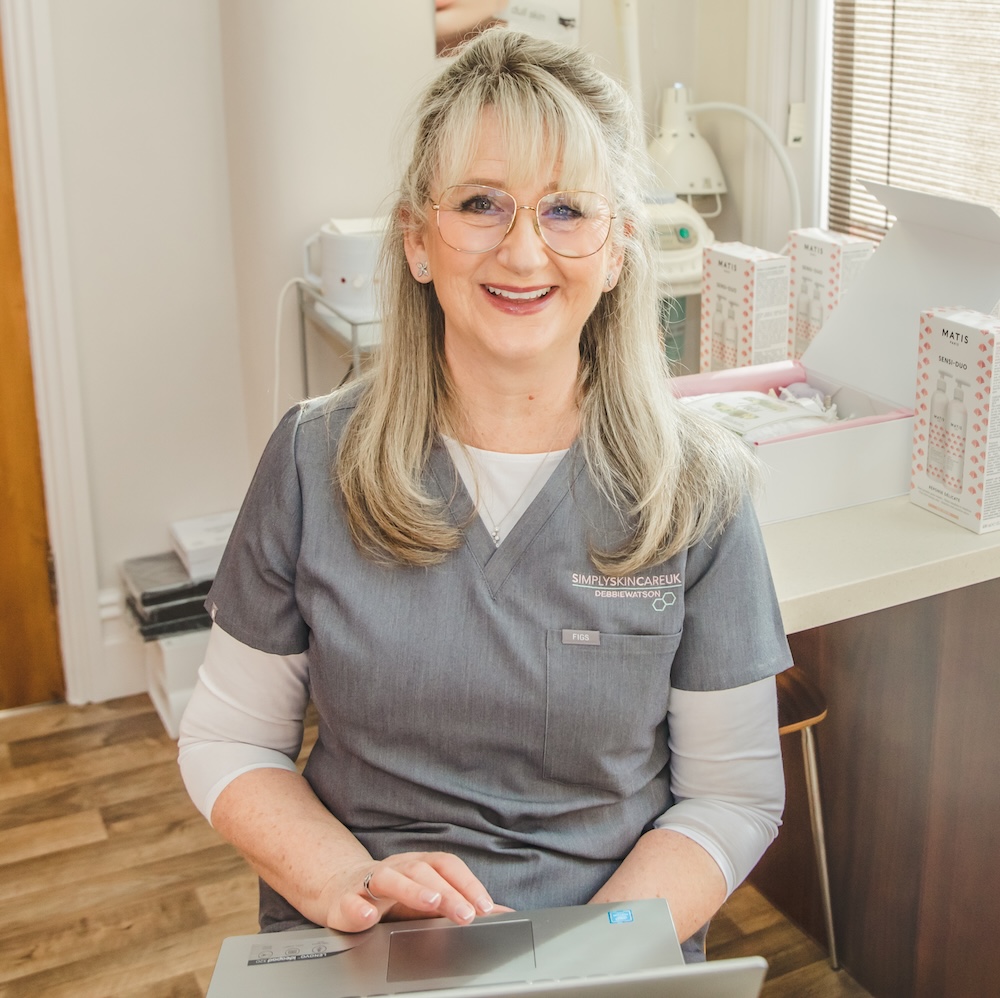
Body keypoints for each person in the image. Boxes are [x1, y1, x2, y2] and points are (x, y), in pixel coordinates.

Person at [178, 27, 791, 964]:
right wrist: (346, 884)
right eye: (480, 204)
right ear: (417, 241)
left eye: (566, 211)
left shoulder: (694, 487)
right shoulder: (313, 460)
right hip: (363, 946)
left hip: (606, 943)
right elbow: (229, 740)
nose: (523, 249)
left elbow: (731, 794)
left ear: (619, 247)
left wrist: (586, 957)